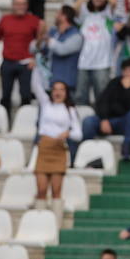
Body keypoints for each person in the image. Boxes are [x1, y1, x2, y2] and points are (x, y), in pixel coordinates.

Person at [31, 67, 82, 213]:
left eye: (61, 90)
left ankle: (55, 221)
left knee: (56, 190)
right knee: (41, 189)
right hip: (44, 147)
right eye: (55, 89)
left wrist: (68, 133)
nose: (58, 92)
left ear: (66, 92)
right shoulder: (46, 104)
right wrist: (36, 67)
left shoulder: (70, 110)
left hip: (59, 149)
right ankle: (40, 220)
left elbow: (78, 134)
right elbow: (36, 86)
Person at [80, 58, 130, 162]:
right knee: (88, 121)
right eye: (125, 70)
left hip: (126, 124)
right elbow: (102, 101)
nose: (128, 73)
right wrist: (104, 119)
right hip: (108, 121)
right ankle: (86, 153)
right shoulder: (114, 83)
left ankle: (126, 148)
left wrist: (127, 90)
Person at [0, 0, 43, 112]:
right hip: (8, 62)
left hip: (26, 63)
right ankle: (5, 120)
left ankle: (25, 120)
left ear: (27, 5)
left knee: (26, 95)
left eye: (23, 4)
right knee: (5, 96)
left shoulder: (34, 20)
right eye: (18, 4)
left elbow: (40, 43)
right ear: (13, 5)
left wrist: (35, 59)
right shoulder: (5, 20)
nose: (20, 7)